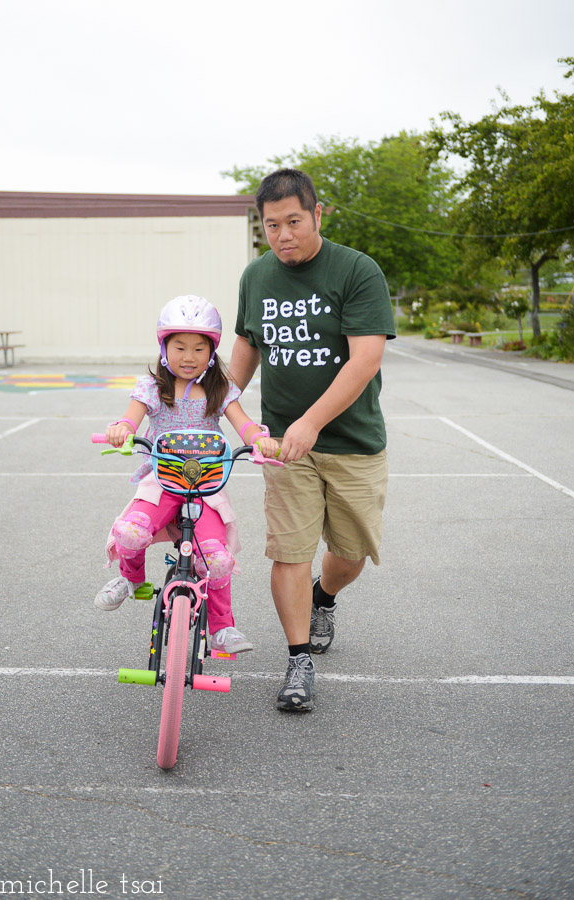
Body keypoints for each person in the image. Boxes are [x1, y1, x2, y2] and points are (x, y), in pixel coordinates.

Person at [228, 168, 396, 709]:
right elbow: (247, 349)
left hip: (351, 441)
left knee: (349, 556)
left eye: (293, 222)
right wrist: (206, 405)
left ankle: (326, 596)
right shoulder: (256, 277)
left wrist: (312, 423)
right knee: (290, 552)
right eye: (271, 225)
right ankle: (298, 661)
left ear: (317, 215)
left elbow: (365, 357)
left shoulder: (356, 270)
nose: (282, 235)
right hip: (281, 445)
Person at [94, 294, 279, 655]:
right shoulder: (151, 388)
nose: (189, 357)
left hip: (205, 486)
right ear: (164, 348)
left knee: (217, 558)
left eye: (199, 348)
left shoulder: (220, 388)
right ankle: (130, 579)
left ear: (211, 353)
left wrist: (259, 440)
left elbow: (244, 424)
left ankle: (222, 628)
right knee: (131, 532)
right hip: (161, 480)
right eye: (180, 347)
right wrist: (121, 428)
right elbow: (130, 418)